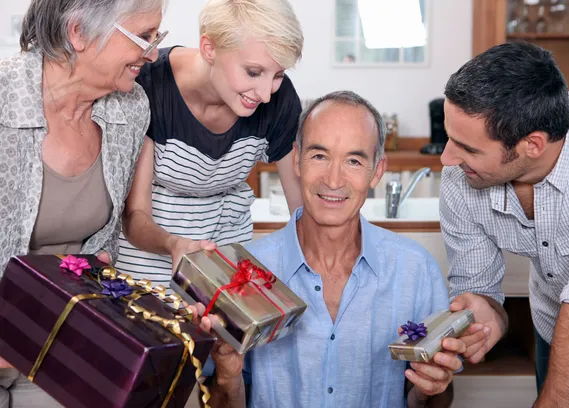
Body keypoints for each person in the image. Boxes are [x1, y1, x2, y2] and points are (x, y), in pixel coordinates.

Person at [192, 91, 470, 408]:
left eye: (353, 160)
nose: (334, 180)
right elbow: (216, 401)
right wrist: (228, 379)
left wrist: (429, 388)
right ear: (296, 159)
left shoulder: (416, 269)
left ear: (377, 171)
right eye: (319, 156)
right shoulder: (244, 274)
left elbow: (436, 400)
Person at [0, 0, 168, 406]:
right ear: (78, 32)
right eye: (143, 36)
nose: (153, 53)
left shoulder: (131, 109)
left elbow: (104, 249)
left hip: (61, 349)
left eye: (156, 37)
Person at [439, 41, 569, 407]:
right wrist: (483, 316)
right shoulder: (461, 179)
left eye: (468, 147)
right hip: (556, 325)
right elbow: (477, 287)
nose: (448, 158)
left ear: (532, 144)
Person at [116, 0, 305, 288]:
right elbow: (135, 215)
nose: (266, 94)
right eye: (253, 72)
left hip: (226, 268)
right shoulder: (150, 86)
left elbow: (300, 212)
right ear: (209, 48)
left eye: (277, 75)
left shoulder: (280, 101)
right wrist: (174, 244)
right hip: (145, 268)